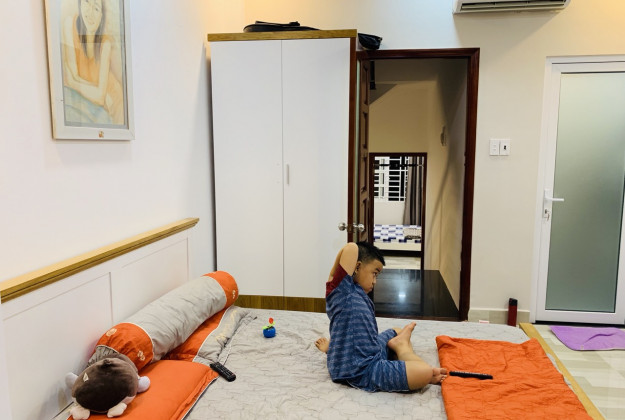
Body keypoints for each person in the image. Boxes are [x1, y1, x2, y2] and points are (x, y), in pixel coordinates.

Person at [315, 241, 447, 392]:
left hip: (371, 352)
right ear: (357, 267)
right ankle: (402, 348)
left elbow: (347, 330)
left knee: (396, 331)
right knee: (425, 372)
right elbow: (351, 248)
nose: (375, 281)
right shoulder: (342, 292)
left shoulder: (357, 293)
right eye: (374, 273)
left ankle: (335, 350)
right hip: (361, 370)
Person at [62, 0, 125, 125]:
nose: (90, 12)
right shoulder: (69, 25)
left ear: (101, 16)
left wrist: (73, 82)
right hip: (94, 99)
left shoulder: (105, 44)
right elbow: (72, 76)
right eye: (87, 2)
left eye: (96, 8)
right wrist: (96, 91)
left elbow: (100, 97)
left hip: (114, 102)